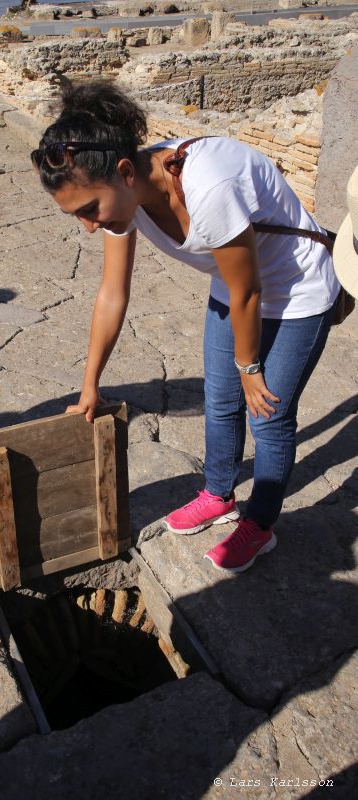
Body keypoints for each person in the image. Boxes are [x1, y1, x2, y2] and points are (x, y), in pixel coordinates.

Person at [30, 81, 341, 573]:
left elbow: (251, 292)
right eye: (76, 216)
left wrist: (250, 366)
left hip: (296, 290)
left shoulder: (208, 185)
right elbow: (113, 293)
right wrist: (90, 384)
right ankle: (219, 494)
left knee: (269, 415)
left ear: (126, 172)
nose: (88, 226)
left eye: (89, 210)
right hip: (234, 285)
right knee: (220, 401)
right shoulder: (123, 201)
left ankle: (259, 525)